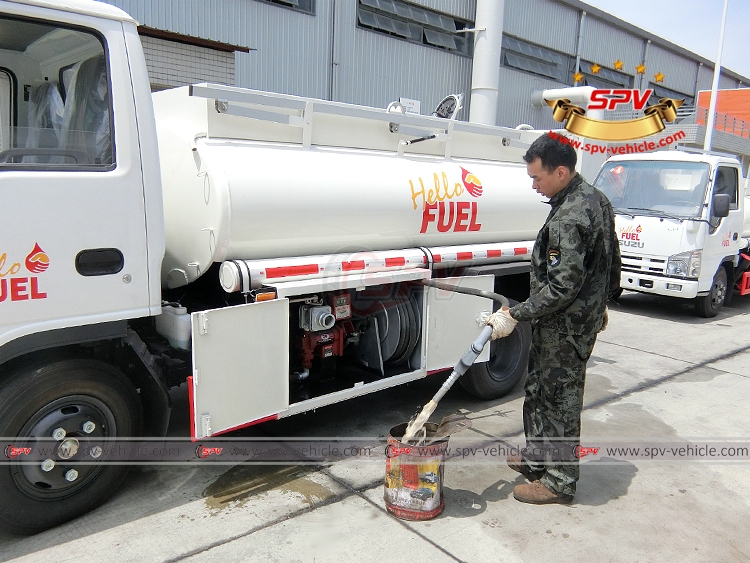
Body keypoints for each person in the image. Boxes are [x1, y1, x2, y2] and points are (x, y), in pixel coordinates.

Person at [486, 134, 621, 504]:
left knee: (559, 401)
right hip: (571, 323)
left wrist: (515, 314)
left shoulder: (570, 216)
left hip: (564, 328)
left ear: (561, 172)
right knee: (538, 391)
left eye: (538, 178)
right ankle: (538, 458)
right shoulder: (595, 199)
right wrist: (599, 306)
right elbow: (611, 265)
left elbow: (562, 288)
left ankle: (559, 481)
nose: (534, 185)